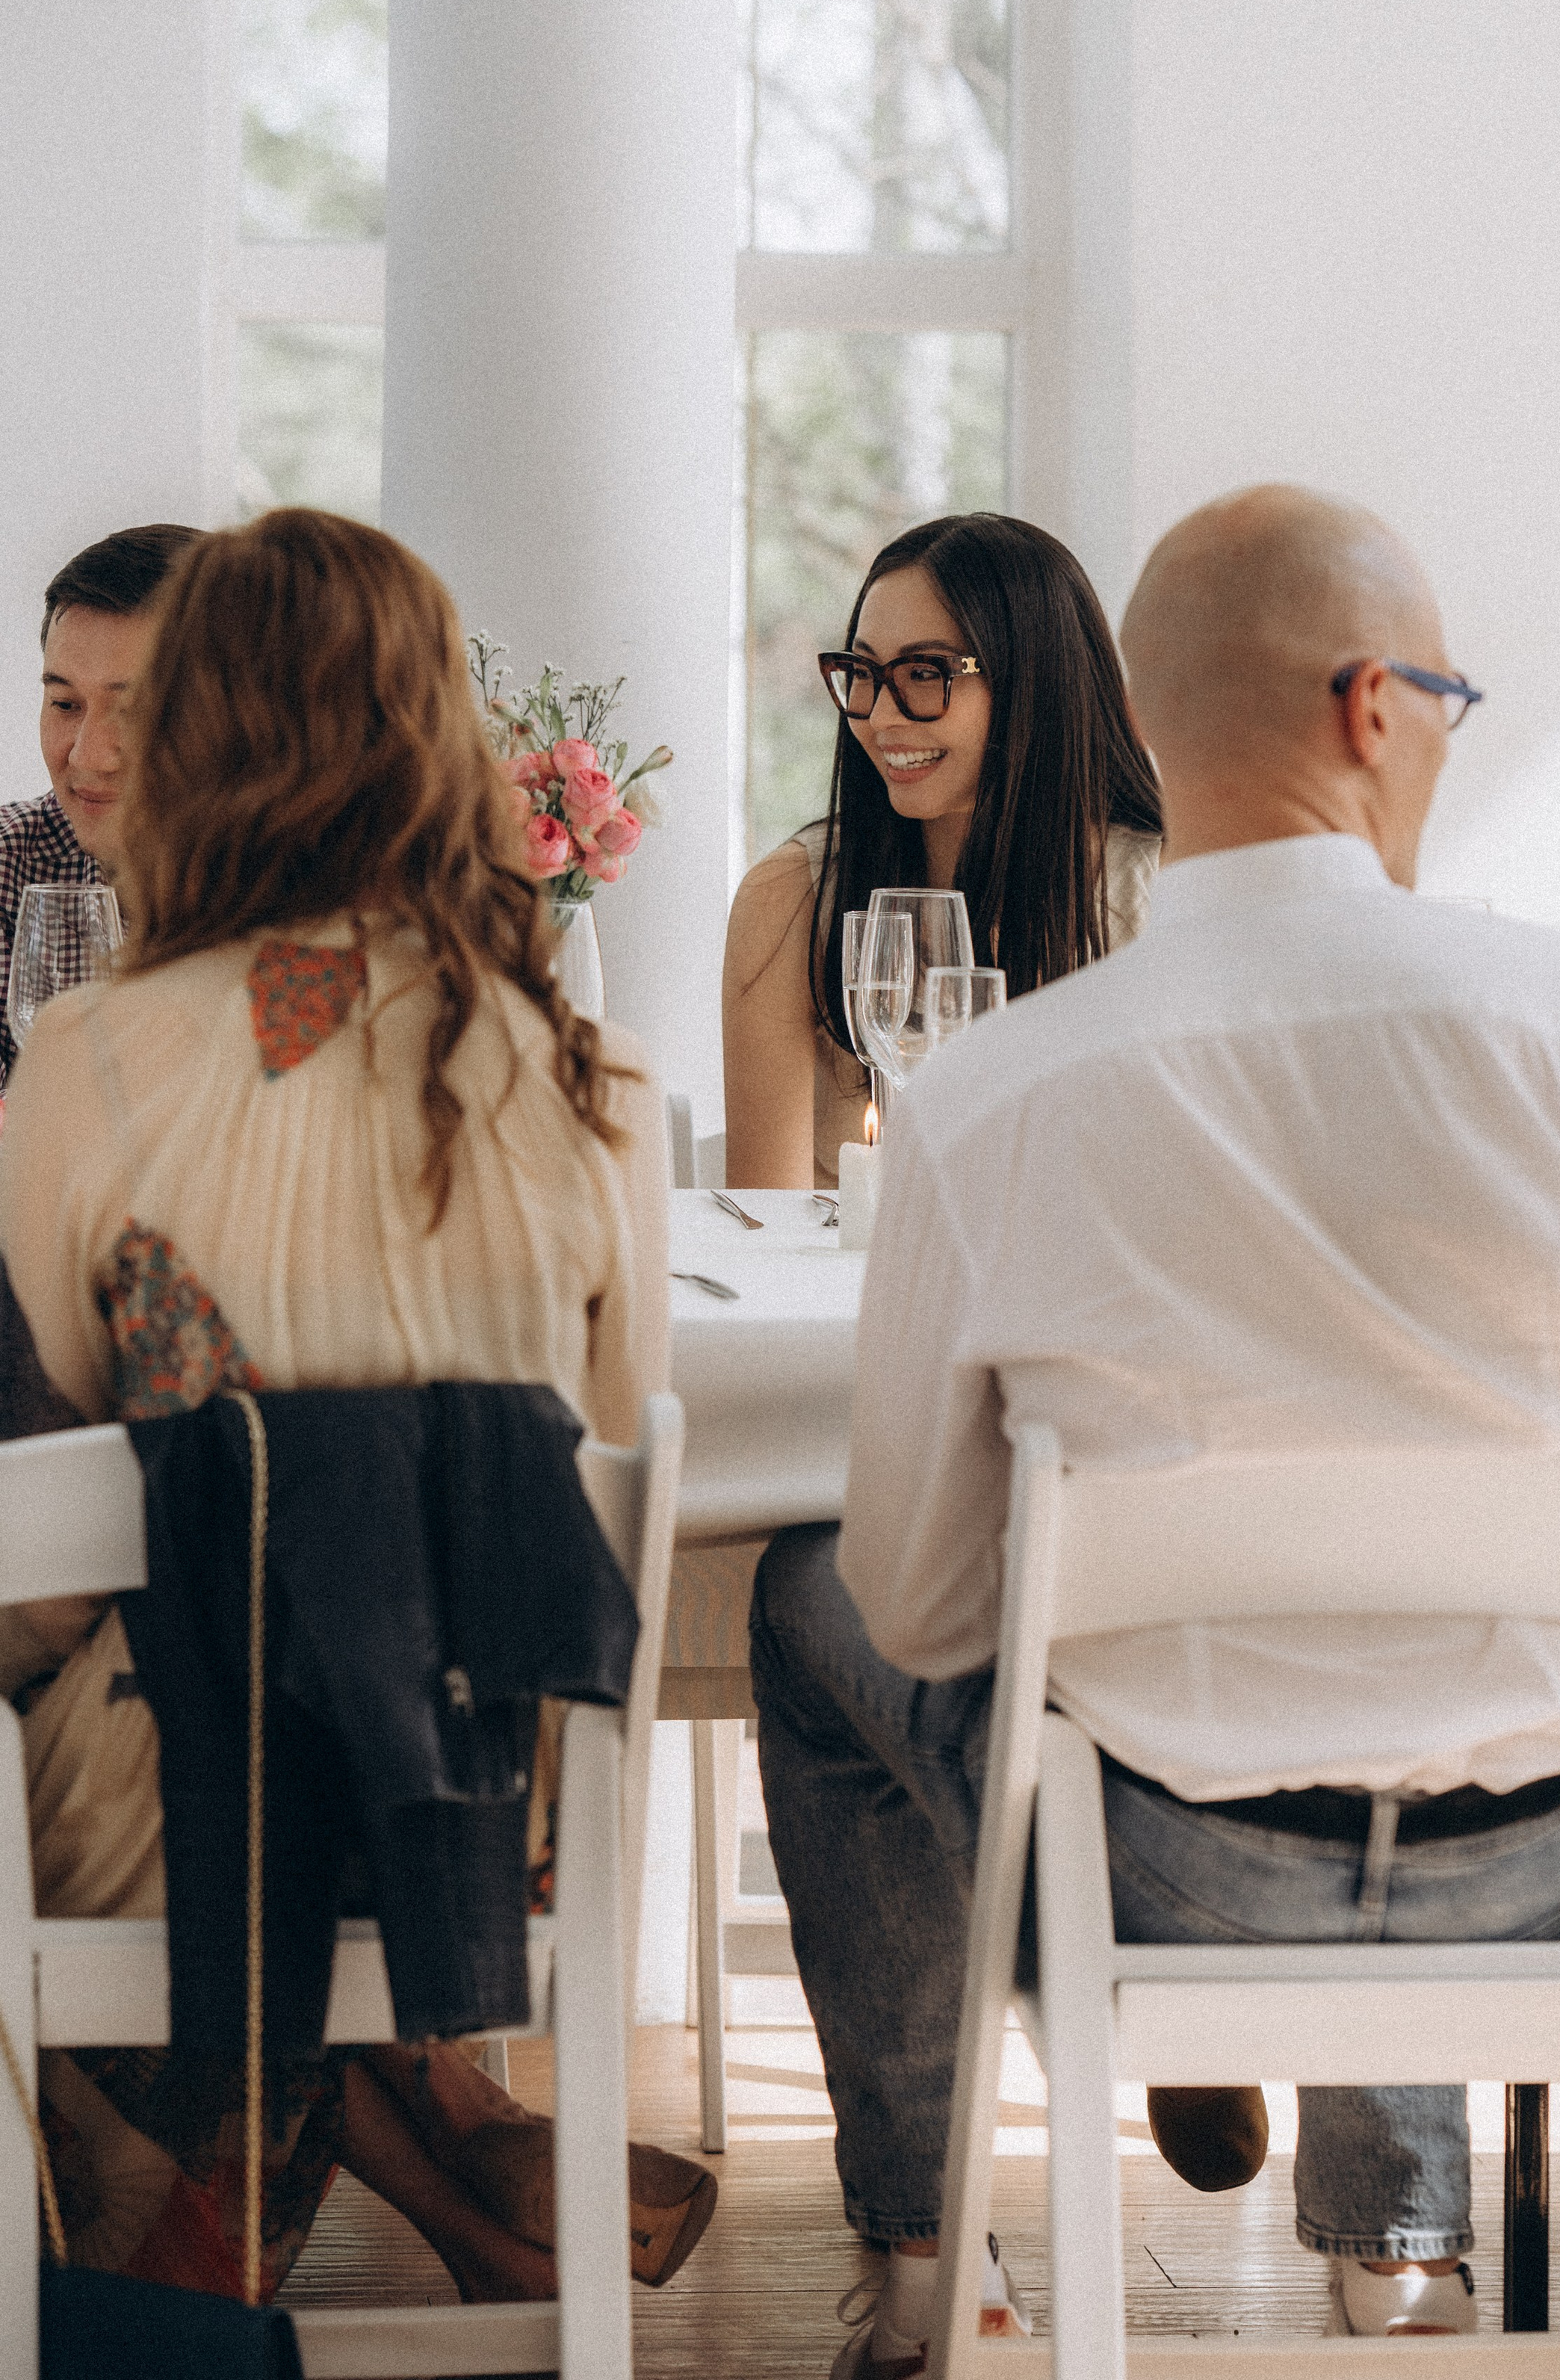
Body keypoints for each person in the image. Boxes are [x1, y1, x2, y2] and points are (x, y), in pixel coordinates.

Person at [748, 483, 1560, 2376]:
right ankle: (1405, 2253)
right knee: (1451, 1683)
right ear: (1374, 703)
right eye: (1449, 694)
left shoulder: (986, 1096)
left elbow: (930, 1599)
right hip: (1544, 1886)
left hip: (1162, 1874)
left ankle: (934, 2257)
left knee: (810, 1605)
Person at [0, 508, 711, 2303]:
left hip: (185, 1787)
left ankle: (156, 2263)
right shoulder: (593, 1072)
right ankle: (438, 2167)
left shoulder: (83, 1061)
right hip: (497, 1806)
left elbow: (80, 1462)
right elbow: (613, 1434)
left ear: (192, 744)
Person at [722, 513, 1163, 1187]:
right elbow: (764, 1223)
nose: (880, 715)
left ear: (1035, 681)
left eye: (925, 673)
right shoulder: (793, 899)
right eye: (864, 671)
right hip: (849, 1295)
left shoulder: (1163, 889)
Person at [0, 522, 199, 1085]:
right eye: (65, 704)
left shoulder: (314, 898)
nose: (88, 757)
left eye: (134, 711)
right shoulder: (7, 867)